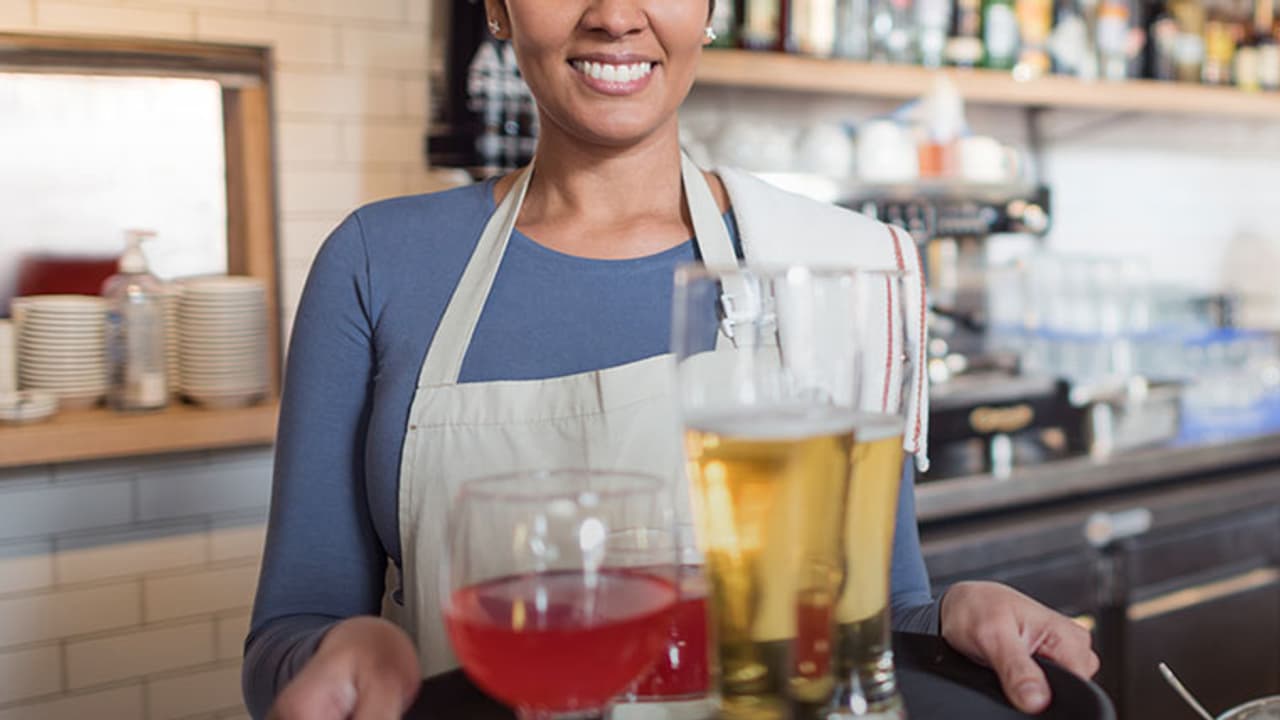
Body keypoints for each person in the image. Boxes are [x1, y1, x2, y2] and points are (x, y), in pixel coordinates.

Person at [244, 1, 1100, 718]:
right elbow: (291, 630)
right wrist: (350, 650)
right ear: (496, 9)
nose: (616, 16)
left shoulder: (840, 266)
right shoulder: (377, 262)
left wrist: (950, 613)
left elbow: (866, 616)